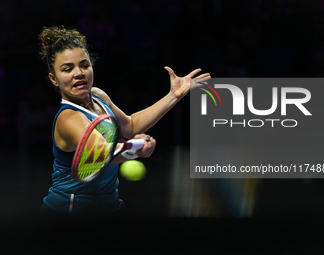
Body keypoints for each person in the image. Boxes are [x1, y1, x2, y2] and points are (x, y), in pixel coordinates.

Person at [39, 25, 210, 214]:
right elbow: (101, 155)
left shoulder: (98, 96)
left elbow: (130, 125)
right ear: (53, 79)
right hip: (72, 209)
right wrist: (135, 149)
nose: (78, 73)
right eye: (67, 69)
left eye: (84, 65)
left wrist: (174, 96)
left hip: (108, 204)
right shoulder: (69, 118)